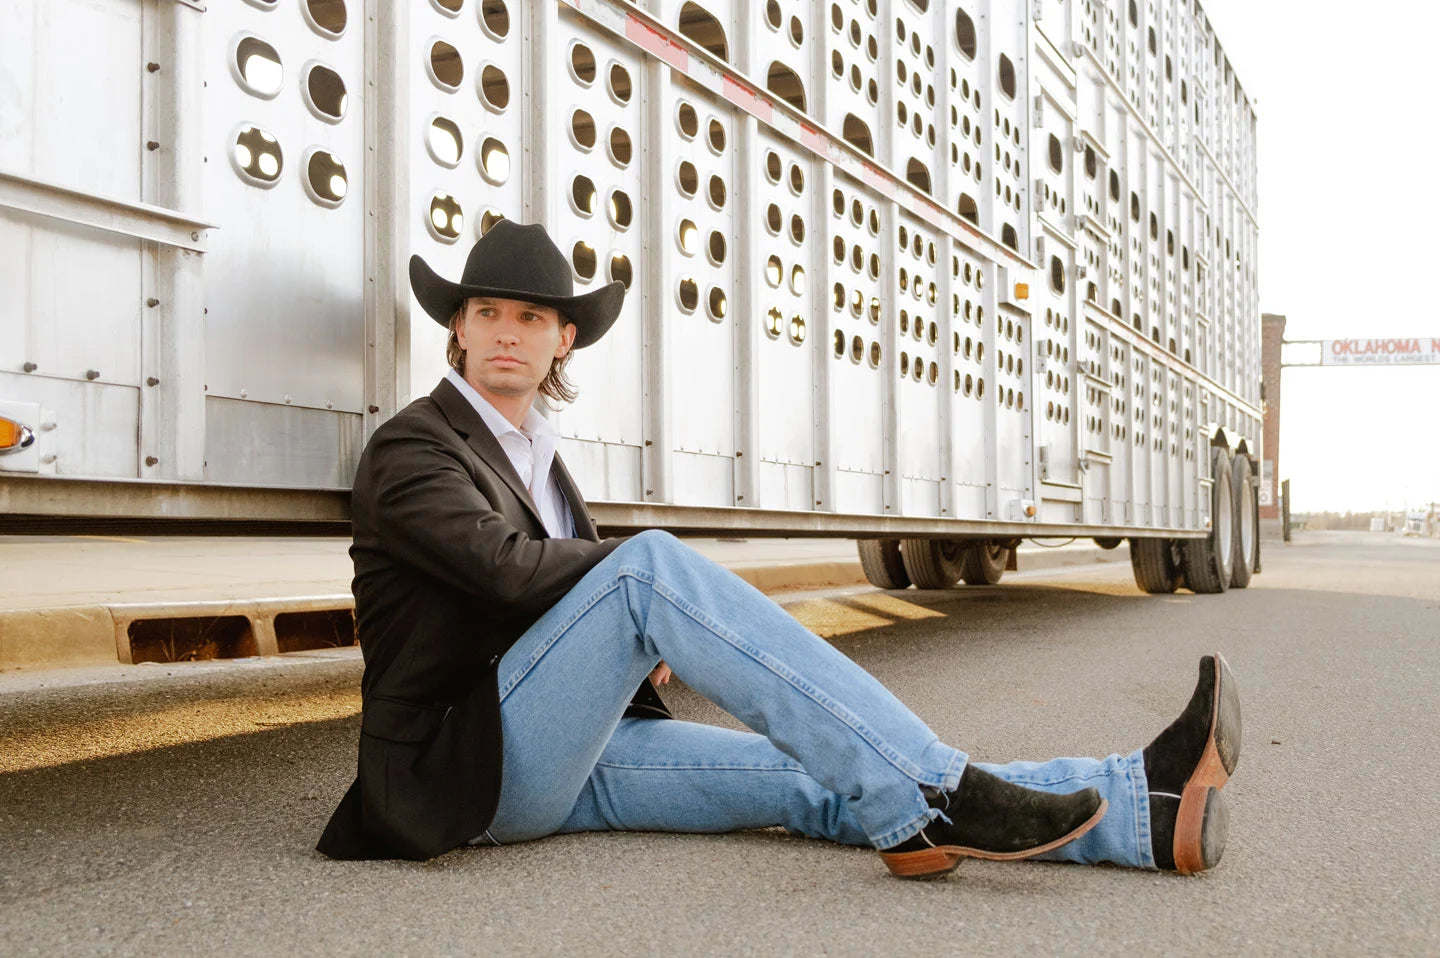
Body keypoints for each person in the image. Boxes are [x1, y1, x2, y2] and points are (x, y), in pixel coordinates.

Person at [317, 221, 1241, 879]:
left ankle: (1139, 809)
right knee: (648, 564)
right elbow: (502, 572)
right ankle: (934, 789)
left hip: (578, 758)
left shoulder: (545, 464)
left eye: (529, 317)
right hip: (466, 767)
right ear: (458, 329)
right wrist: (642, 616)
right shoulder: (414, 446)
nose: (506, 332)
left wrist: (620, 655)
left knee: (824, 771)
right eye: (488, 312)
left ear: (564, 337)